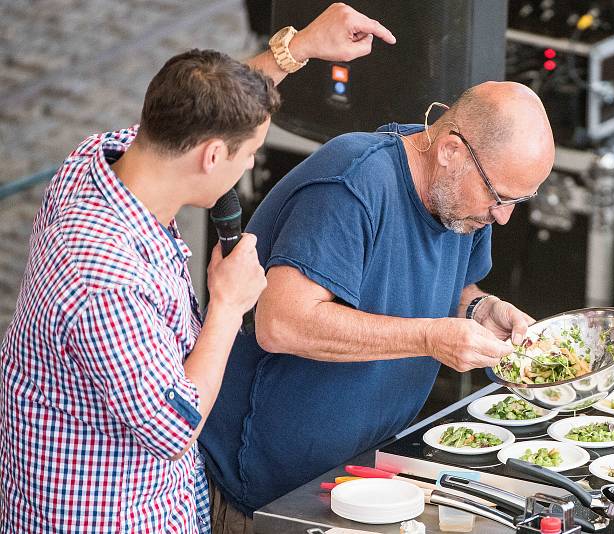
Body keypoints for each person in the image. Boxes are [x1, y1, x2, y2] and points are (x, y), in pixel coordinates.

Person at [0, 4, 394, 533]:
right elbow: (172, 426)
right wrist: (228, 306)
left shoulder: (96, 161)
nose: (253, 162)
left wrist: (297, 48)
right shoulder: (106, 281)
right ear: (212, 157)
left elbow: (206, 106)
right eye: (250, 152)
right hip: (104, 517)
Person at [199, 81, 555, 520]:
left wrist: (479, 309)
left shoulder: (462, 194)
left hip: (366, 480)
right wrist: (429, 338)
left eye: (519, 200)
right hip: (264, 491)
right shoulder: (352, 183)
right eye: (499, 196)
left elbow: (456, 287)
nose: (502, 216)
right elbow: (282, 323)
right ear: (450, 151)